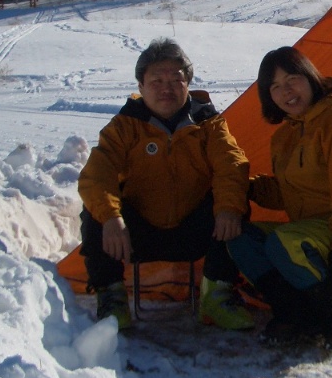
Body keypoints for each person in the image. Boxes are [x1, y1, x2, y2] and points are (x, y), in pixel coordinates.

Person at [77, 37, 253, 332]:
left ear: (188, 84)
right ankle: (111, 296)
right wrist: (111, 217)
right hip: (136, 235)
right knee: (95, 211)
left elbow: (231, 165)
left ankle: (218, 294)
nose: (166, 88)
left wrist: (229, 208)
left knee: (235, 202)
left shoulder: (208, 124)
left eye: (176, 79)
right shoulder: (124, 126)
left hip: (194, 231)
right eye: (156, 80)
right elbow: (97, 174)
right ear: (141, 87)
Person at [227, 46, 332, 350]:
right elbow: (288, 192)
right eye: (275, 86)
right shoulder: (285, 136)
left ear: (310, 77)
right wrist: (244, 187)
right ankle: (294, 314)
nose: (285, 91)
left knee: (286, 243)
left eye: (292, 79)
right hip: (310, 233)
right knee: (240, 237)